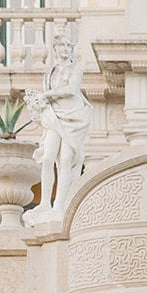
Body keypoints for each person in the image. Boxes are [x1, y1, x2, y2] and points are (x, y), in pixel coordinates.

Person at [23, 34, 94, 222]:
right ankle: (45, 202)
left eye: (68, 45)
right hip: (53, 116)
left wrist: (45, 95)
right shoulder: (50, 74)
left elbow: (71, 90)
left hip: (73, 117)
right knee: (47, 158)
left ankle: (59, 206)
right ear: (55, 49)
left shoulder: (76, 69)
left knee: (65, 160)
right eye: (61, 45)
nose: (65, 48)